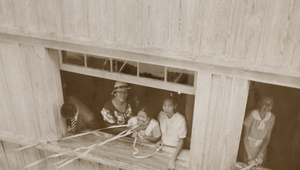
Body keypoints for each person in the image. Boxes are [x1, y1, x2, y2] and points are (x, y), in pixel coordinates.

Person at [242, 96, 275, 166]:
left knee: (259, 167)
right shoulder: (251, 116)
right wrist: (248, 155)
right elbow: (245, 137)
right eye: (265, 103)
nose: (267, 106)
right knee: (247, 166)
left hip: (262, 147)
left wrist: (261, 153)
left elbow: (267, 138)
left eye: (270, 104)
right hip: (248, 147)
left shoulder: (272, 117)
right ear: (259, 103)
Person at [156, 96, 187, 170]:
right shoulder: (161, 115)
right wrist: (159, 140)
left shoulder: (180, 120)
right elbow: (158, 131)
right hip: (162, 147)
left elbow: (181, 141)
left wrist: (173, 159)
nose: (166, 108)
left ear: (175, 106)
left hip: (175, 150)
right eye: (164, 105)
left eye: (170, 106)